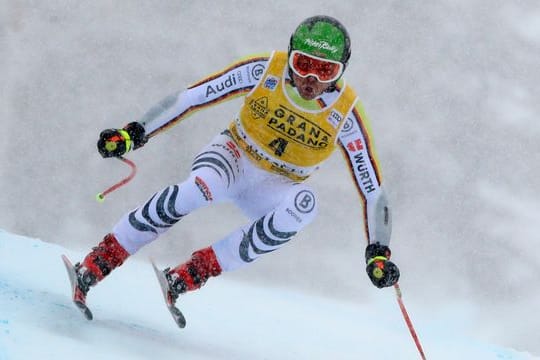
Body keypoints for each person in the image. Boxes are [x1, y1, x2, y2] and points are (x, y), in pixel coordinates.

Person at [71, 15, 400, 321]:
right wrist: (135, 132)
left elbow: (372, 190)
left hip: (277, 185)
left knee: (305, 205)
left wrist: (378, 252)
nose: (310, 80)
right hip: (234, 157)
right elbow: (193, 98)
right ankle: (100, 260)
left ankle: (193, 273)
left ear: (341, 71)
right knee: (197, 192)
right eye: (303, 64)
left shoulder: (346, 113)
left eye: (324, 71)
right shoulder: (265, 70)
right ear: (290, 56)